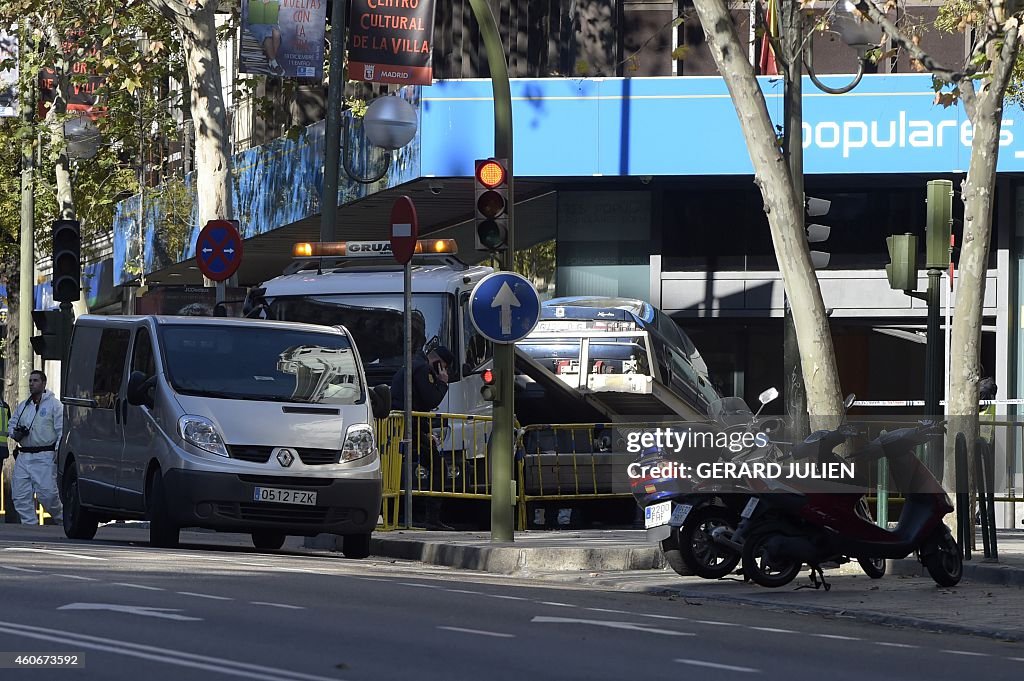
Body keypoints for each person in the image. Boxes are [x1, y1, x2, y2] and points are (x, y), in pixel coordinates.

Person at [391, 346, 456, 530]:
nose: (443, 371)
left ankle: (398, 516)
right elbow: (430, 399)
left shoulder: (411, 365)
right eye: (443, 367)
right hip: (412, 428)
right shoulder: (423, 369)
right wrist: (442, 383)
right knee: (439, 467)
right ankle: (431, 518)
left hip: (405, 426)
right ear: (437, 363)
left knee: (397, 468)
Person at [8, 370, 63, 525]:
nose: (32, 383)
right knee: (20, 494)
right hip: (24, 455)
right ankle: (29, 525)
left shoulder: (54, 405)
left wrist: (58, 451)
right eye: (30, 381)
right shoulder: (24, 406)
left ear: (44, 383)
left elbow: (61, 429)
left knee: (48, 495)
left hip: (45, 454)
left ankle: (64, 520)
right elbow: (12, 424)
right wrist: (15, 433)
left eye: (35, 380)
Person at [245, 0, 285, 76]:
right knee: (267, 36)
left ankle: (270, 63)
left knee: (276, 33)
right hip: (256, 22)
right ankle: (275, 64)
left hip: (270, 22)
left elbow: (278, 9)